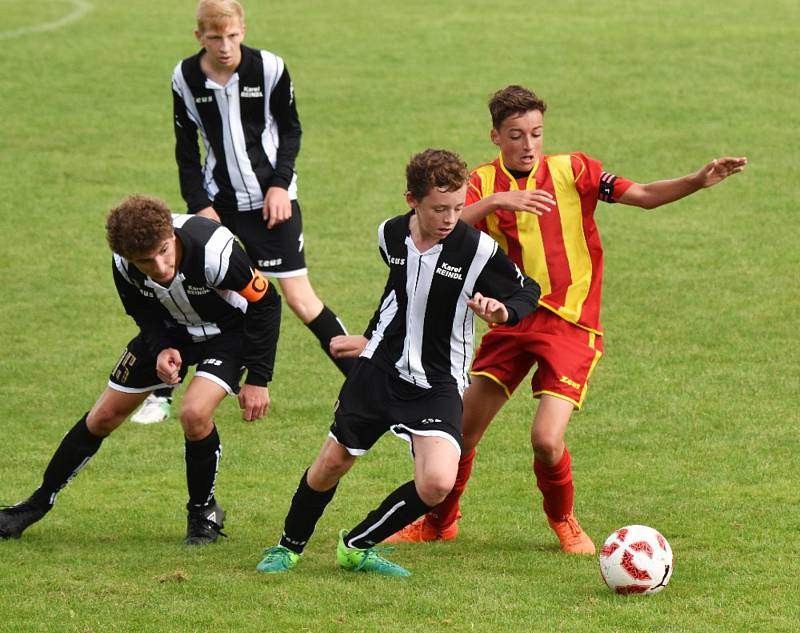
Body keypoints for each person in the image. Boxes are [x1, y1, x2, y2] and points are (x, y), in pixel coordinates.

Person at [387, 85, 748, 554]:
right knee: (462, 431)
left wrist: (697, 180)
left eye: (536, 133)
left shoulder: (574, 169)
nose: (528, 143)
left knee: (545, 439)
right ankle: (439, 522)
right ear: (496, 136)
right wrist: (497, 203)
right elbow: (439, 228)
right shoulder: (478, 183)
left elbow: (642, 195)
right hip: (509, 321)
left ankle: (564, 520)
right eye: (516, 134)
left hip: (570, 326)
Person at [254, 149, 540, 576]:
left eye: (459, 208)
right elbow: (398, 291)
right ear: (412, 201)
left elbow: (527, 290)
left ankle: (356, 546)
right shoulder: (390, 235)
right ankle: (287, 546)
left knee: (438, 482)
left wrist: (503, 313)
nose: (450, 218)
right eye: (440, 209)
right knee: (331, 463)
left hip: (438, 381)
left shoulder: (476, 250)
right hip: (380, 369)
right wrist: (369, 337)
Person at [0, 195, 281, 544]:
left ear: (171, 234)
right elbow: (142, 312)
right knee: (102, 416)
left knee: (193, 413)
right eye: (146, 261)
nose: (160, 267)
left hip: (228, 334)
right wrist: (161, 347)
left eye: (164, 251)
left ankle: (203, 512)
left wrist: (258, 378)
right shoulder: (123, 262)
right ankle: (35, 504)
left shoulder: (216, 250)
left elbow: (267, 302)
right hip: (173, 331)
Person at [131, 0, 352, 424]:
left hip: (273, 205)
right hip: (217, 206)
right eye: (215, 38)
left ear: (243, 30)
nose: (225, 46)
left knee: (300, 300)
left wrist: (279, 186)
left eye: (232, 36)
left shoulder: (269, 68)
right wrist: (200, 207)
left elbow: (291, 129)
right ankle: (161, 393)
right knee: (179, 291)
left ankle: (363, 381)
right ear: (200, 37)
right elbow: (186, 150)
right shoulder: (185, 77)